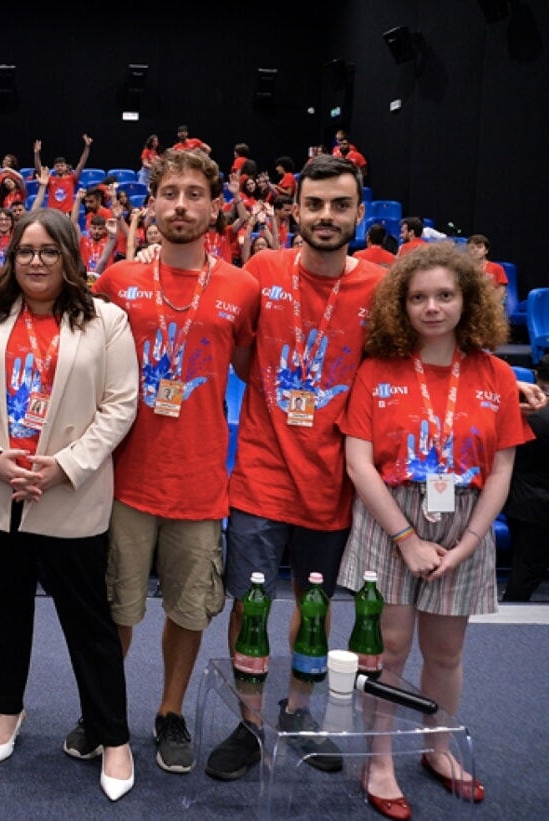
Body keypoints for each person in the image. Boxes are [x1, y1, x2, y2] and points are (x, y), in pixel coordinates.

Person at [0, 207, 138, 800]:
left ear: (70, 258)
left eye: (48, 251)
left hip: (68, 497)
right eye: (25, 251)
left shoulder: (106, 321)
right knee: (8, 613)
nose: (35, 261)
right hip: (1, 492)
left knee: (90, 624)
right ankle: (10, 709)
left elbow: (119, 405)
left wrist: (64, 468)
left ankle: (114, 736)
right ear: (11, 259)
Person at [205, 154, 385, 781]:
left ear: (359, 212)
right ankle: (251, 724)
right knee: (249, 603)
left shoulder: (379, 288)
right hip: (259, 472)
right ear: (295, 210)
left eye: (340, 205)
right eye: (315, 205)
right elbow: (242, 355)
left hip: (332, 480)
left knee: (315, 604)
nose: (326, 216)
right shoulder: (262, 270)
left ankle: (299, 712)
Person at [337, 243, 531, 817]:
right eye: (419, 297)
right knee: (388, 647)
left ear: (466, 300)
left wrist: (471, 541)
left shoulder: (496, 373)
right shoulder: (379, 369)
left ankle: (436, 749)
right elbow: (358, 463)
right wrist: (406, 539)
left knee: (445, 653)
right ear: (402, 304)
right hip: (390, 516)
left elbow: (501, 468)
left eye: (445, 295)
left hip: (464, 521)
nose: (432, 307)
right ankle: (379, 760)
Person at [89, 149, 260, 775]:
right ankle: (104, 712)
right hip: (126, 479)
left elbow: (260, 368)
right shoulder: (118, 281)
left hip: (199, 481)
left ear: (215, 208)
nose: (182, 205)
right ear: (151, 204)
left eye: (195, 194)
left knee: (189, 611)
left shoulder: (243, 288)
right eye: (170, 193)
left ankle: (169, 712)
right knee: (117, 609)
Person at [501, 353, 549, 601]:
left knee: (526, 567)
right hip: (535, 506)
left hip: (522, 502)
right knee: (528, 568)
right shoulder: (536, 417)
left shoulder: (524, 413)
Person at [33, 135, 92, 214]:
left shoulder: (72, 178)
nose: (60, 167)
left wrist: (87, 147)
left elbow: (81, 163)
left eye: (62, 165)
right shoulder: (50, 179)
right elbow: (38, 169)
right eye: (57, 166)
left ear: (66, 167)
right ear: (54, 167)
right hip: (52, 213)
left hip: (68, 213)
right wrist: (36, 154)